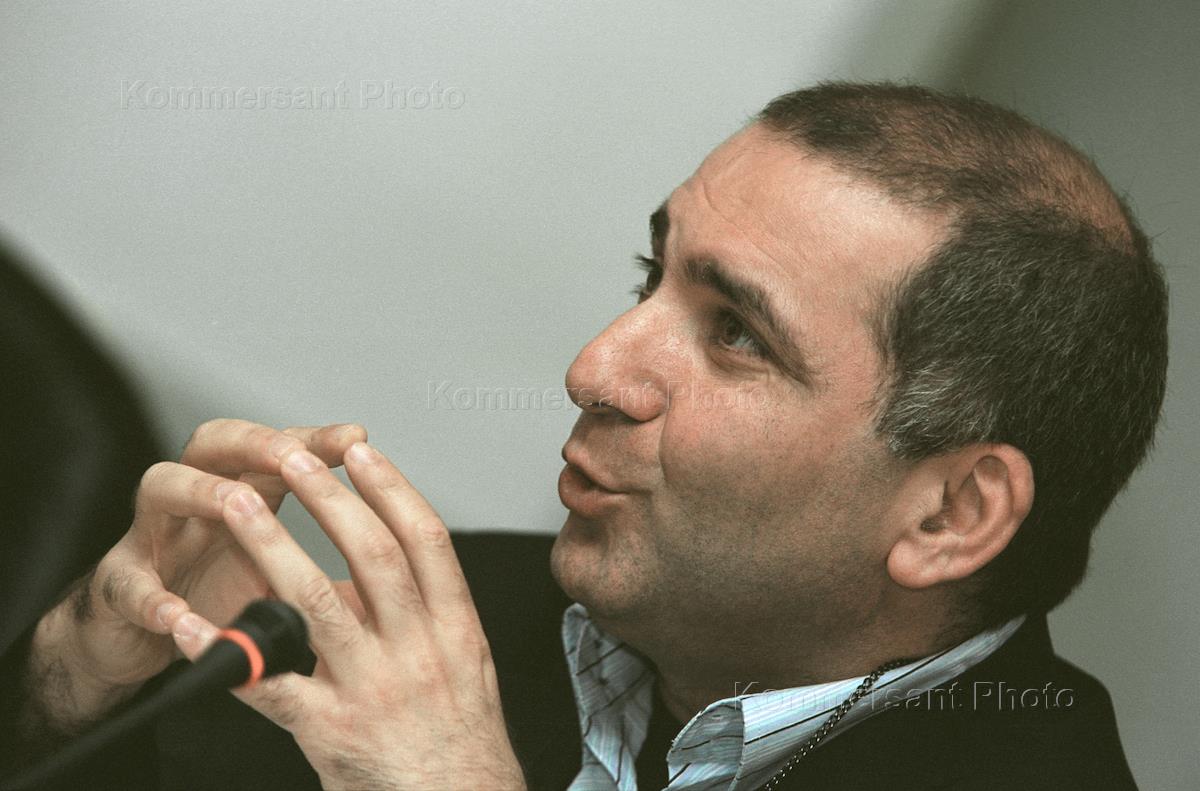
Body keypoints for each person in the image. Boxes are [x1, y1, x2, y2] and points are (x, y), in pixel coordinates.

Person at [0, 82, 1165, 790]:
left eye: (738, 334)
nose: (595, 369)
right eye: (650, 275)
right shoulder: (446, 622)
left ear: (949, 513)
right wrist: (68, 689)